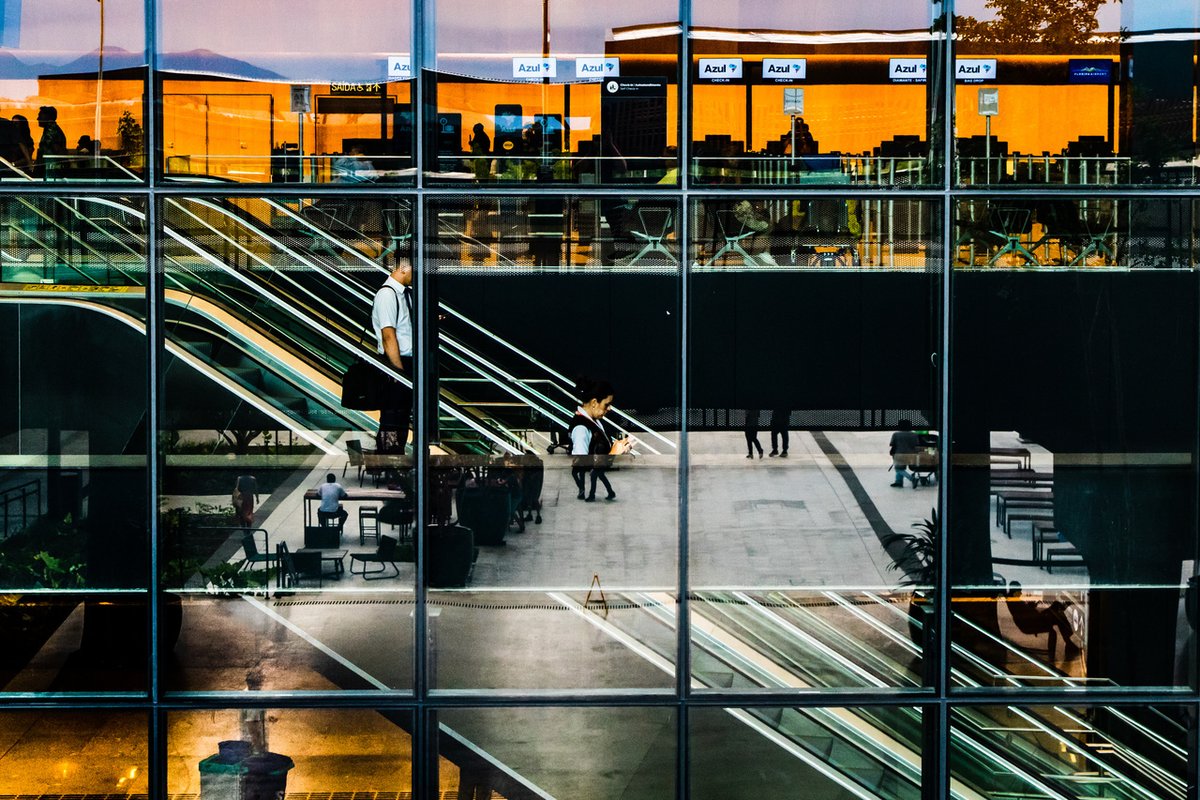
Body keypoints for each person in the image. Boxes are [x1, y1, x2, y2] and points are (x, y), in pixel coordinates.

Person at [371, 259, 414, 453]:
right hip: (396, 363)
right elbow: (388, 336)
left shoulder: (405, 295)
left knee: (401, 415)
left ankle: (396, 458)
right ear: (404, 269)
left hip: (405, 363)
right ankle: (389, 461)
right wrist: (398, 372)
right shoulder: (387, 295)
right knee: (392, 417)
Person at [569, 379, 633, 502]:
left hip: (597, 466)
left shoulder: (593, 420)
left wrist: (619, 448)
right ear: (594, 403)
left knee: (599, 476)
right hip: (587, 514)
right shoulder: (581, 428)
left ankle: (599, 493)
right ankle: (591, 493)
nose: (609, 408)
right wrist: (612, 454)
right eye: (606, 404)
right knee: (597, 476)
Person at [1006, 581, 1080, 655]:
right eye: (1019, 591)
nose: (1021, 593)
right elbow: (1027, 613)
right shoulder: (1014, 601)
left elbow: (1025, 612)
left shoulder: (1013, 600)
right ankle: (1068, 642)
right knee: (1056, 612)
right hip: (1032, 622)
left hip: (1033, 620)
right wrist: (1032, 607)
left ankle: (1068, 642)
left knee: (1057, 614)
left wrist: (1031, 606)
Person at [733, 200, 777, 266]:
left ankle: (763, 255)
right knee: (767, 229)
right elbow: (750, 219)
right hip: (740, 229)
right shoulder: (743, 204)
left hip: (734, 228)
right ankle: (756, 257)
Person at [35, 106, 67, 179]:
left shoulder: (51, 132)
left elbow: (57, 152)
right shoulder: (50, 130)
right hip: (49, 170)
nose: (38, 118)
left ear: (47, 116)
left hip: (50, 172)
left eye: (40, 116)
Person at [889, 418, 920, 489]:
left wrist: (892, 453)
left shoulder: (896, 434)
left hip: (900, 454)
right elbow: (916, 445)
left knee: (899, 469)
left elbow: (893, 445)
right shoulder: (914, 435)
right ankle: (898, 482)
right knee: (901, 468)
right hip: (912, 455)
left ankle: (912, 479)